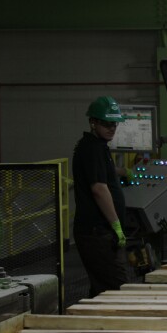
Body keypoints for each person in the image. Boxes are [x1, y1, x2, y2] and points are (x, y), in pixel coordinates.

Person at [72, 96, 132, 297]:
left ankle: (96, 325)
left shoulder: (97, 147)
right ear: (93, 122)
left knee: (101, 288)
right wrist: (116, 225)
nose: (112, 128)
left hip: (98, 232)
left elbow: (102, 172)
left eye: (114, 124)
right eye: (106, 124)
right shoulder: (92, 149)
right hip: (97, 232)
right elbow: (99, 189)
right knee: (118, 290)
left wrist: (122, 172)